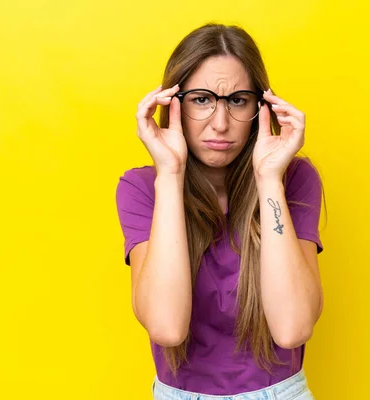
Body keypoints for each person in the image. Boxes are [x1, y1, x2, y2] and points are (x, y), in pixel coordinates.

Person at [116, 23, 325, 400]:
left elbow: (292, 328)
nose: (220, 123)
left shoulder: (293, 178)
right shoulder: (142, 188)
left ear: (261, 107)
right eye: (201, 99)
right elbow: (166, 327)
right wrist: (170, 173)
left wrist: (269, 179)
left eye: (237, 100)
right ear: (172, 103)